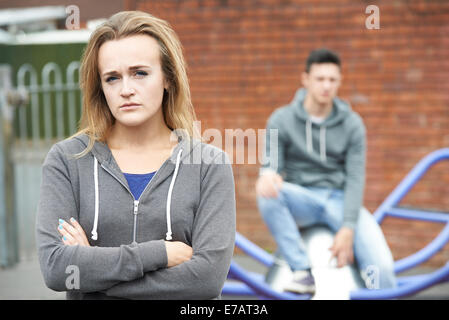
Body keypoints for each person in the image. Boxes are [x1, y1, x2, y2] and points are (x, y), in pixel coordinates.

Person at [35, 11, 236, 300]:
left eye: (140, 73)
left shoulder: (209, 165)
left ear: (167, 78)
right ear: (100, 87)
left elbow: (206, 280)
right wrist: (161, 253)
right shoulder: (67, 160)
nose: (126, 89)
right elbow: (57, 269)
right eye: (112, 78)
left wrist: (92, 270)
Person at [256, 48, 396, 294]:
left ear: (340, 81)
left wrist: (348, 227)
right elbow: (271, 165)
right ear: (306, 79)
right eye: (320, 79)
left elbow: (355, 178)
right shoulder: (282, 119)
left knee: (382, 268)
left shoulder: (352, 124)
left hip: (339, 200)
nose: (326, 86)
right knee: (266, 191)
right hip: (302, 198)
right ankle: (302, 271)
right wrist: (268, 174)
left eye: (332, 80)